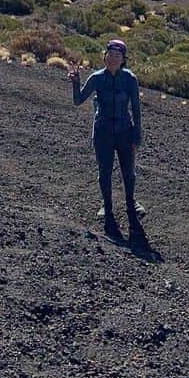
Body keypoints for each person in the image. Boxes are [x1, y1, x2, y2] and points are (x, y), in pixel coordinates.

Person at [68, 38, 143, 237]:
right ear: (104, 57)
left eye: (117, 56)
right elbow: (78, 101)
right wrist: (75, 82)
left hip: (125, 131)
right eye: (109, 55)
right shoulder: (96, 77)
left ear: (123, 59)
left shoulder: (130, 79)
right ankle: (107, 206)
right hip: (103, 133)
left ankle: (130, 204)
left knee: (129, 172)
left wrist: (138, 137)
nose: (112, 59)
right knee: (105, 172)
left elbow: (136, 110)